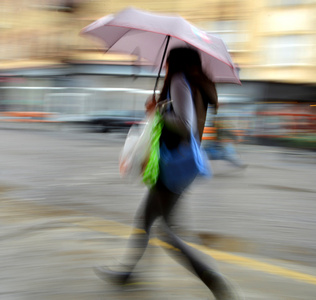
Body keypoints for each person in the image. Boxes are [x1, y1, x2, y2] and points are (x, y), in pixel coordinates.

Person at [94, 47, 242, 300]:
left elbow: (184, 126)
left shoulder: (178, 80)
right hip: (183, 164)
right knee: (145, 219)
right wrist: (162, 107)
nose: (164, 65)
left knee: (165, 230)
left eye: (167, 60)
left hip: (172, 164)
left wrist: (157, 111)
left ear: (175, 62)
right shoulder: (198, 84)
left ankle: (211, 276)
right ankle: (127, 272)